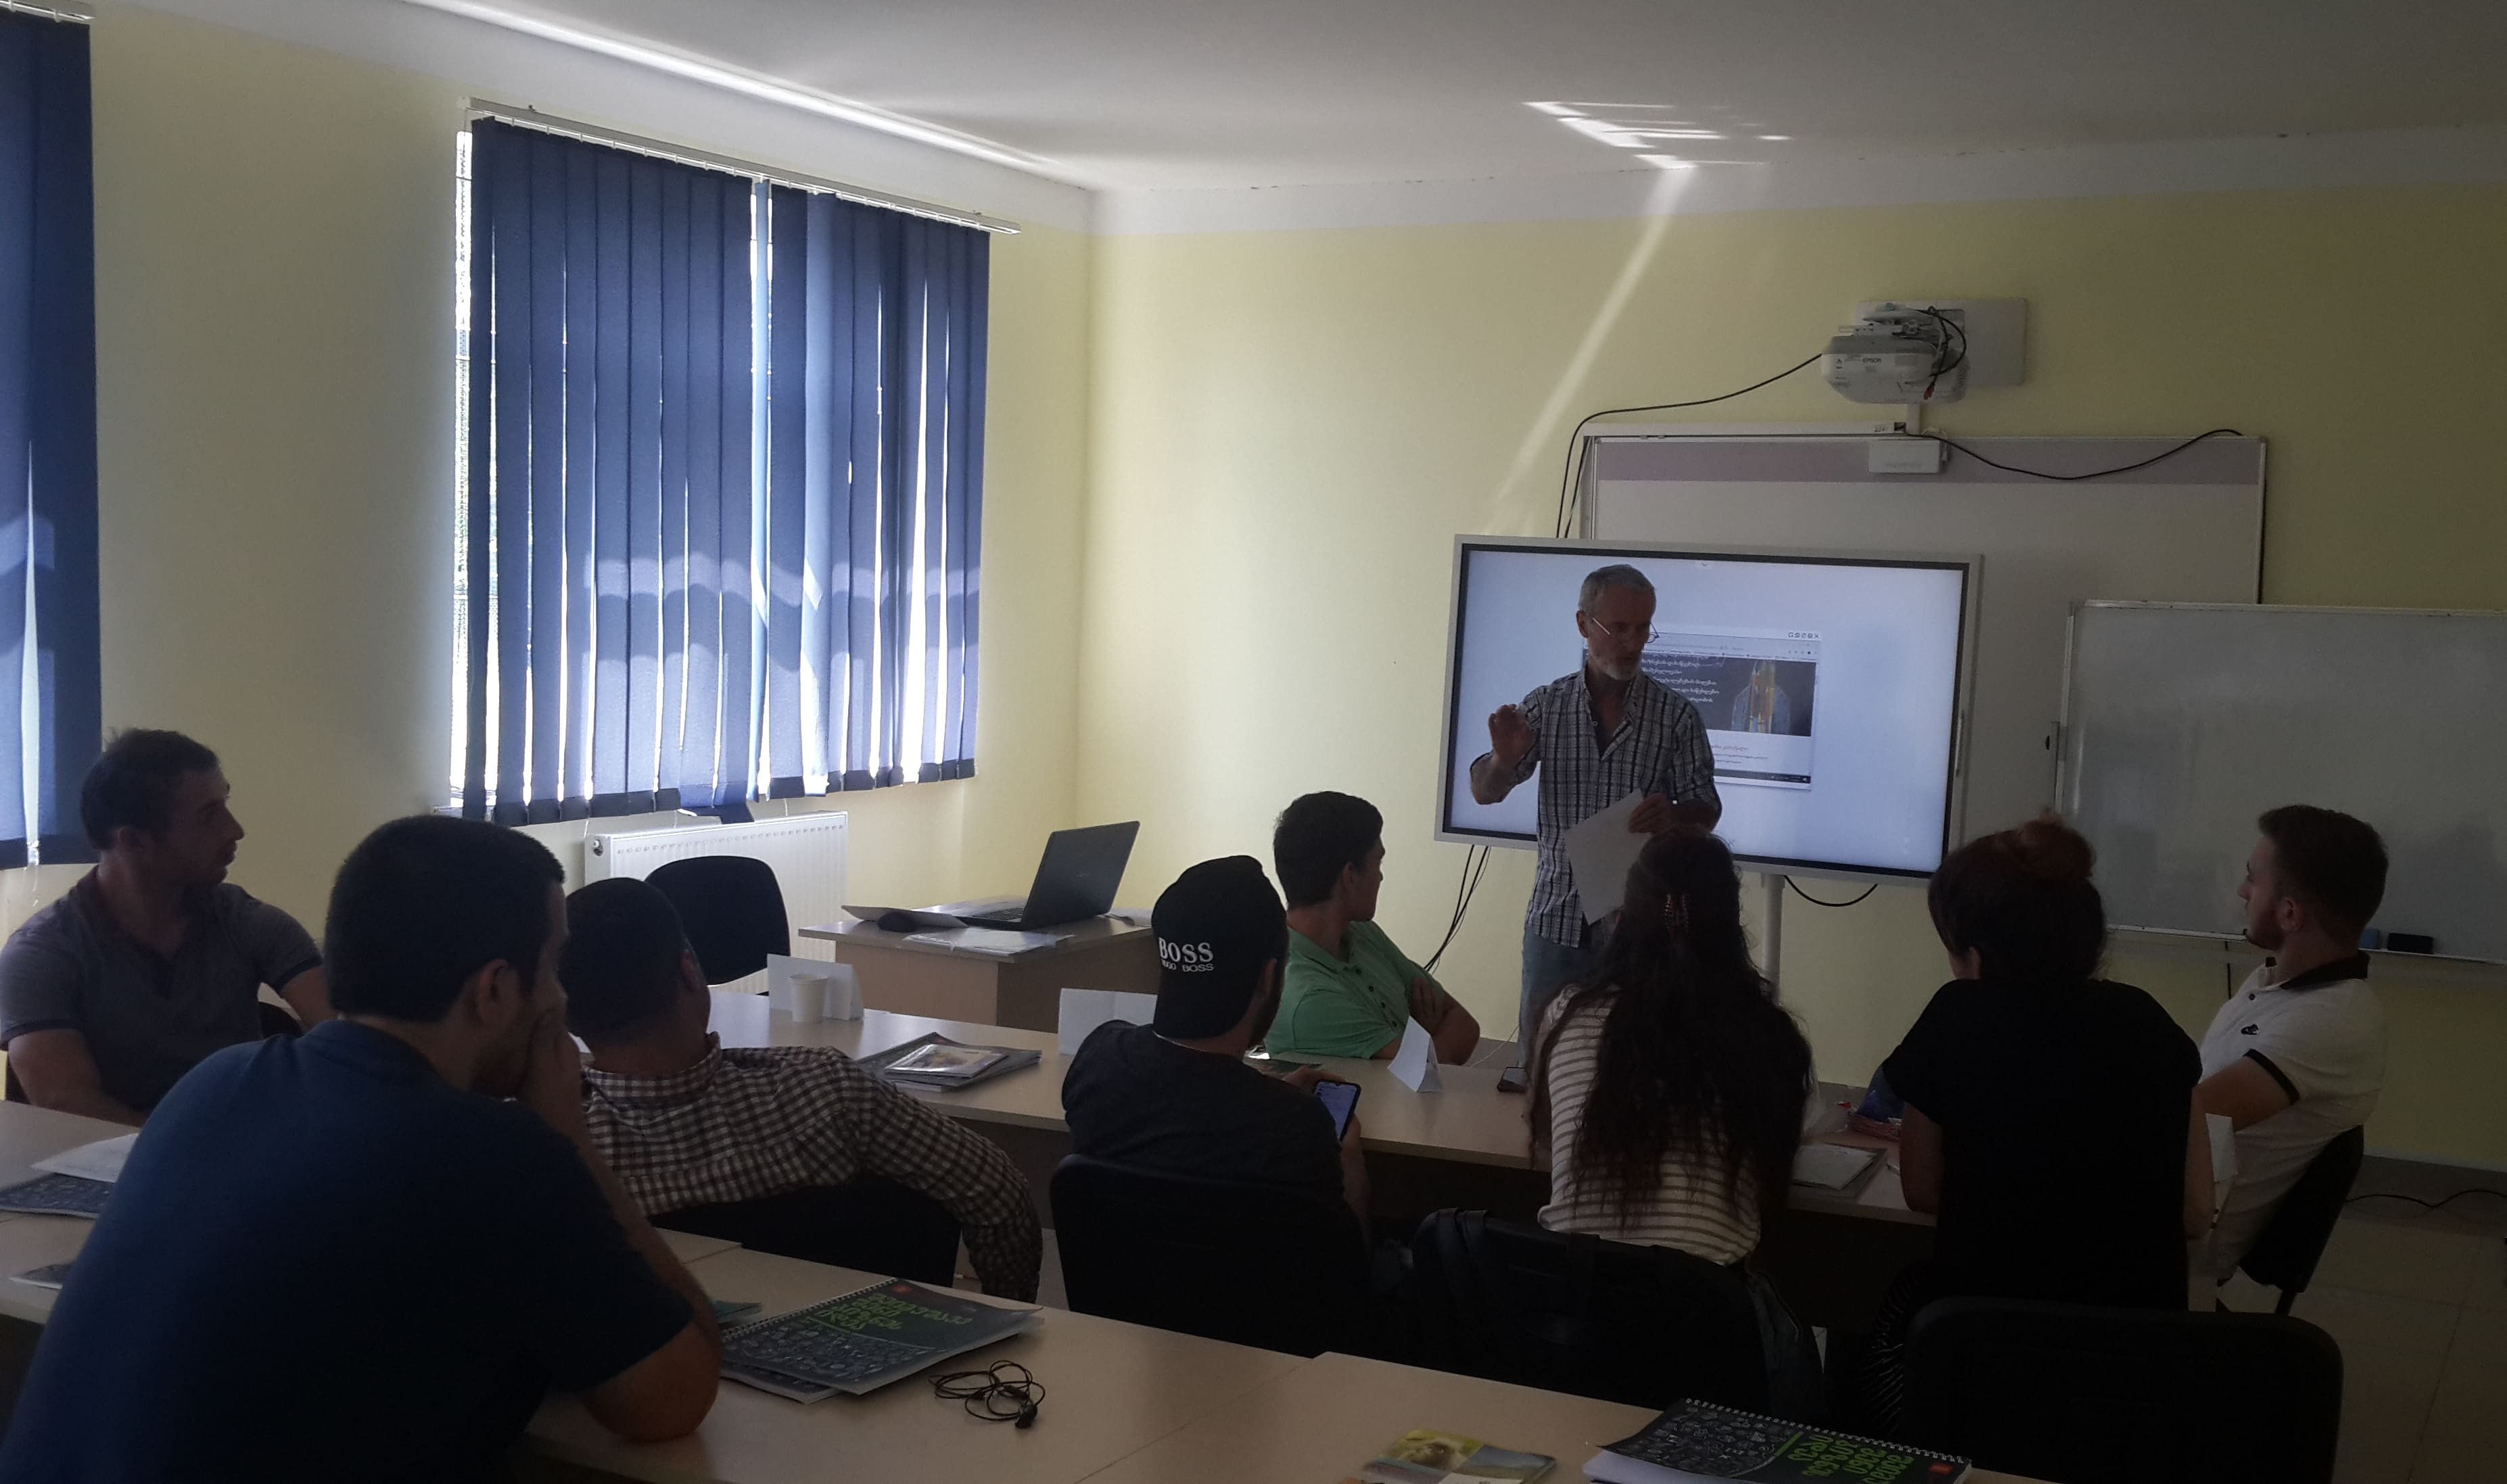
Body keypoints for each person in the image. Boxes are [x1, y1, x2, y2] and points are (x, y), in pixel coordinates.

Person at [0, 816, 720, 1482]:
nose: (561, 999)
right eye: (554, 967)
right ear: (495, 990)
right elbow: (675, 1394)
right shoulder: (497, 1156)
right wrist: (570, 1137)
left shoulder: (216, 1084)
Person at [1851, 816, 2211, 1432]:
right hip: (2133, 1377)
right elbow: (2195, 1210)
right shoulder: (2147, 1021)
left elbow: (1923, 1188)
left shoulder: (1954, 1016)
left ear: (1974, 953)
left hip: (1985, 1365)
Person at [561, 876, 1044, 1300]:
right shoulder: (824, 1091)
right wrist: (1006, 1309)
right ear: (689, 970)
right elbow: (997, 1193)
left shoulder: (562, 1154)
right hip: (868, 1357)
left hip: (682, 1372)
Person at [1529, 829, 1819, 1414]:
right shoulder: (1767, 1035)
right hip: (1709, 1334)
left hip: (1576, 1326)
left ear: (1621, 918)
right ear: (1730, 925)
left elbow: (1543, 1147)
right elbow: (1771, 1181)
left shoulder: (1566, 1012)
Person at [0, 729, 329, 1124]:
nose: (235, 830)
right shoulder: (41, 955)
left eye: (225, 805)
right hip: (109, 1158)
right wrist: (194, 1148)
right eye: (209, 816)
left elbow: (351, 1039)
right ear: (134, 841)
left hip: (237, 1145)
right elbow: (68, 1105)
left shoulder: (247, 921)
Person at [1466, 563, 1720, 1061]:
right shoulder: (1547, 706)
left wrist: (1674, 817)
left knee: (1635, 1070)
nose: (1633, 643)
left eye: (1643, 628)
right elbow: (1484, 792)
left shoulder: (1676, 716)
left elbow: (1706, 808)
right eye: (1619, 628)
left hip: (1640, 930)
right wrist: (1503, 759)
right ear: (1584, 624)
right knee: (1542, 1070)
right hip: (1555, 925)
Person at [1062, 855, 1369, 1228]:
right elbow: (1345, 1260)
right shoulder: (1297, 1126)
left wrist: (1271, 1095)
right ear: (1267, 977)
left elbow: (1187, 1105)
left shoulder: (1098, 1061)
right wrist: (1348, 1162)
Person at [2197, 806, 2388, 1282]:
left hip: (2176, 1251)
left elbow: (2188, 1118)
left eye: (2252, 878)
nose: (2242, 891)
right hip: (2166, 1197)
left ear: (2289, 913)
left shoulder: (2329, 1020)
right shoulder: (2273, 982)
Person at [1268, 791, 1480, 1064]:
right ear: (1350, 876)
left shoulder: (1361, 932)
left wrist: (1423, 1051)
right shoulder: (1308, 997)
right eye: (1378, 862)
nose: (1380, 876)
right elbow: (1421, 1074)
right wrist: (1422, 1035)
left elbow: (1465, 1026)